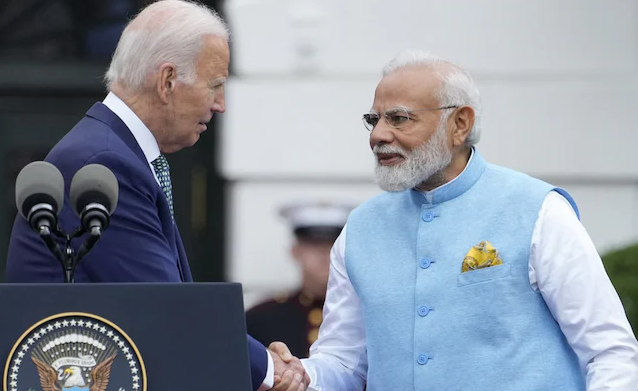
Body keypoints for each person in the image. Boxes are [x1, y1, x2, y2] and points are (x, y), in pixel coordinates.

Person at [5, 1, 307, 390]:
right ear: (167, 82)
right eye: (215, 85)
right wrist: (272, 369)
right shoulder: (104, 163)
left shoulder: (116, 151)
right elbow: (168, 307)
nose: (221, 104)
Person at [299, 50, 638, 390]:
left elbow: (610, 352)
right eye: (374, 120)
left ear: (460, 123)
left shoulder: (538, 209)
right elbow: (344, 363)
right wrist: (301, 375)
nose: (378, 135)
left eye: (399, 118)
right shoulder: (360, 229)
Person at [247, 201, 354, 358]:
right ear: (295, 251)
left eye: (334, 245)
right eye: (314, 245)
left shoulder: (363, 316)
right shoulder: (261, 318)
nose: (325, 255)